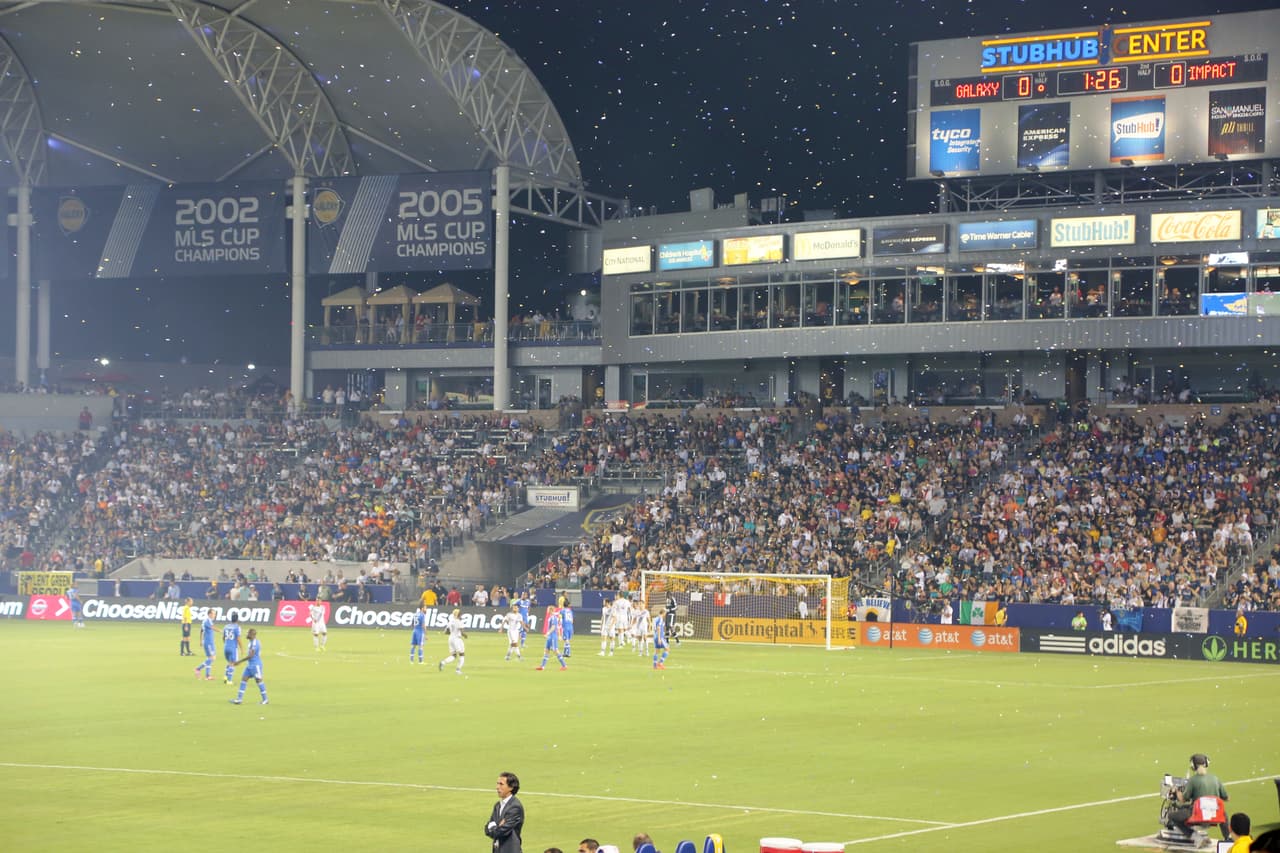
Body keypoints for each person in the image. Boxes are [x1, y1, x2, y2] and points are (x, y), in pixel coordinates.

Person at [1172, 753, 1229, 841]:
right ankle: (1227, 838)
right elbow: (1227, 798)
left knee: (1172, 816)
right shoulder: (1215, 779)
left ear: (1193, 766)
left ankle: (1195, 837)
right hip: (1215, 815)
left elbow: (1183, 799)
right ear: (1206, 764)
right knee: (1224, 813)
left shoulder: (1192, 780)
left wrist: (1176, 791)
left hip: (1198, 815)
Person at [485, 771, 524, 853]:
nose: (497, 787)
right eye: (497, 783)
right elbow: (487, 828)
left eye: (501, 784)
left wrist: (494, 828)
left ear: (511, 787)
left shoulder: (515, 807)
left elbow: (503, 831)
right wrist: (496, 827)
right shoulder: (497, 806)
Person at [230, 628, 268, 705]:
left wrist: (239, 662)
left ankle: (265, 699)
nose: (246, 635)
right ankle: (239, 699)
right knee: (244, 679)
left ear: (252, 635)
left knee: (259, 681)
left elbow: (251, 655)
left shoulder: (254, 643)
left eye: (248, 633)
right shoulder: (251, 642)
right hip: (250, 665)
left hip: (256, 665)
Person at [537, 606, 567, 671]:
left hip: (553, 636)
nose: (547, 610)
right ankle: (542, 667)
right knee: (546, 650)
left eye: (548, 609)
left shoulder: (553, 617)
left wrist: (548, 633)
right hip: (550, 637)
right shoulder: (551, 617)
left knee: (555, 650)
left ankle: (564, 665)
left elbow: (553, 627)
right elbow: (557, 627)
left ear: (550, 610)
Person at [438, 608, 467, 674]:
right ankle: (458, 670)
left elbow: (446, 632)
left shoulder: (450, 622)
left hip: (450, 639)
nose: (461, 616)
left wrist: (452, 632)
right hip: (457, 639)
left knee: (454, 655)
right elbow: (462, 632)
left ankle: (443, 662)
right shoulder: (459, 622)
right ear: (458, 615)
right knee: (462, 654)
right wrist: (465, 636)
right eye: (460, 614)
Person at [194, 610, 216, 680]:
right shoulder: (208, 621)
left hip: (207, 641)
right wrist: (221, 631)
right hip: (208, 642)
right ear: (209, 614)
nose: (214, 615)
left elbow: (201, 631)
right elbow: (213, 628)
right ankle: (198, 669)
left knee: (209, 658)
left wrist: (201, 640)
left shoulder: (205, 621)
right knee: (212, 658)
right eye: (213, 614)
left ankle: (208, 676)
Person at [222, 612, 243, 685]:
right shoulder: (237, 627)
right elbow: (238, 638)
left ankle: (225, 677)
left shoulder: (226, 626)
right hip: (233, 648)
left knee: (230, 662)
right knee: (233, 663)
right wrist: (242, 648)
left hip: (226, 647)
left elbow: (223, 637)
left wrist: (226, 644)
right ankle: (229, 680)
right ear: (237, 619)